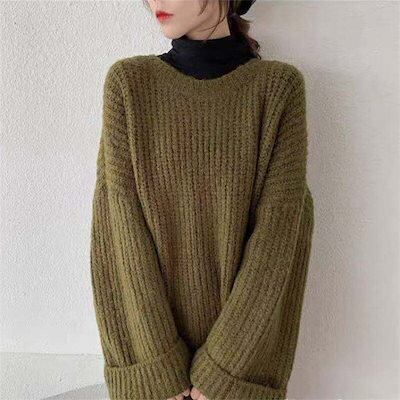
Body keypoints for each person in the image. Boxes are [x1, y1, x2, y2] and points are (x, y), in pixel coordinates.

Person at [89, 0, 315, 399]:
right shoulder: (129, 84)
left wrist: (223, 373)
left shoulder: (277, 89)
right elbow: (118, 231)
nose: (155, 2)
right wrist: (158, 369)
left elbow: (279, 237)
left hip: (243, 374)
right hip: (153, 374)